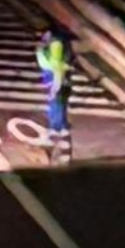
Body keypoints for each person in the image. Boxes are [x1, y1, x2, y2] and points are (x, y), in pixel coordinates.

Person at [35, 26, 74, 162]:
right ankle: (62, 128)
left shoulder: (55, 45)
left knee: (55, 105)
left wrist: (55, 87)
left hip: (56, 78)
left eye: (43, 33)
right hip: (54, 77)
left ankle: (53, 134)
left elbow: (57, 67)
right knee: (59, 104)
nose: (40, 36)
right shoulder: (51, 43)